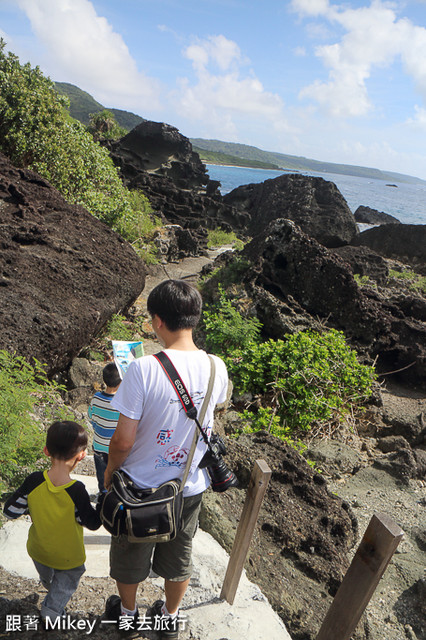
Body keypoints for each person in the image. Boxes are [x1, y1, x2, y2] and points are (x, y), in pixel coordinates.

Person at [103, 279, 229, 639]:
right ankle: (169, 618)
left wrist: (111, 471)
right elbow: (212, 412)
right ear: (195, 318)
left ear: (157, 321)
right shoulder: (215, 367)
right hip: (187, 486)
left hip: (139, 489)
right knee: (179, 555)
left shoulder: (143, 369)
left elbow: (123, 441)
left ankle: (128, 616)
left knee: (129, 557)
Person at [3, 421, 102, 626]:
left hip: (39, 551)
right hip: (68, 556)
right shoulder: (76, 491)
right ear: (82, 455)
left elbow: (10, 511)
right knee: (67, 580)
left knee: (49, 578)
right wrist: (102, 503)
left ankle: (51, 591)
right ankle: (51, 613)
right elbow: (91, 523)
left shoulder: (33, 481)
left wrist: (33, 506)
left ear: (46, 450)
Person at [88, 362, 121, 493]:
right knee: (117, 479)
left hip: (99, 446)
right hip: (116, 448)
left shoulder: (96, 398)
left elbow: (91, 417)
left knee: (102, 480)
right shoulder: (122, 401)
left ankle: (103, 499)